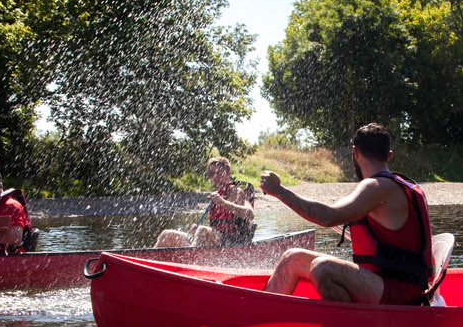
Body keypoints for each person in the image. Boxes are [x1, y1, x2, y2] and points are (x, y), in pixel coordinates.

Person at [259, 122, 434, 304]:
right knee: (292, 258)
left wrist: (278, 190)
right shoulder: (392, 184)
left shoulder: (376, 187)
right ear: (389, 155)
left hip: (402, 292)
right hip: (387, 283)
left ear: (355, 153)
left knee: (323, 269)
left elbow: (328, 217)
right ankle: (262, 318)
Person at [155, 156, 257, 247]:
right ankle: (150, 262)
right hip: (216, 241)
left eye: (219, 173)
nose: (215, 177)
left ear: (228, 173)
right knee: (166, 234)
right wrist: (195, 230)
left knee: (202, 231)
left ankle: (191, 259)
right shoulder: (216, 195)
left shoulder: (236, 191)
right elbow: (216, 228)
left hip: (231, 242)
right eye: (211, 174)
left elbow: (250, 214)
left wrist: (224, 203)